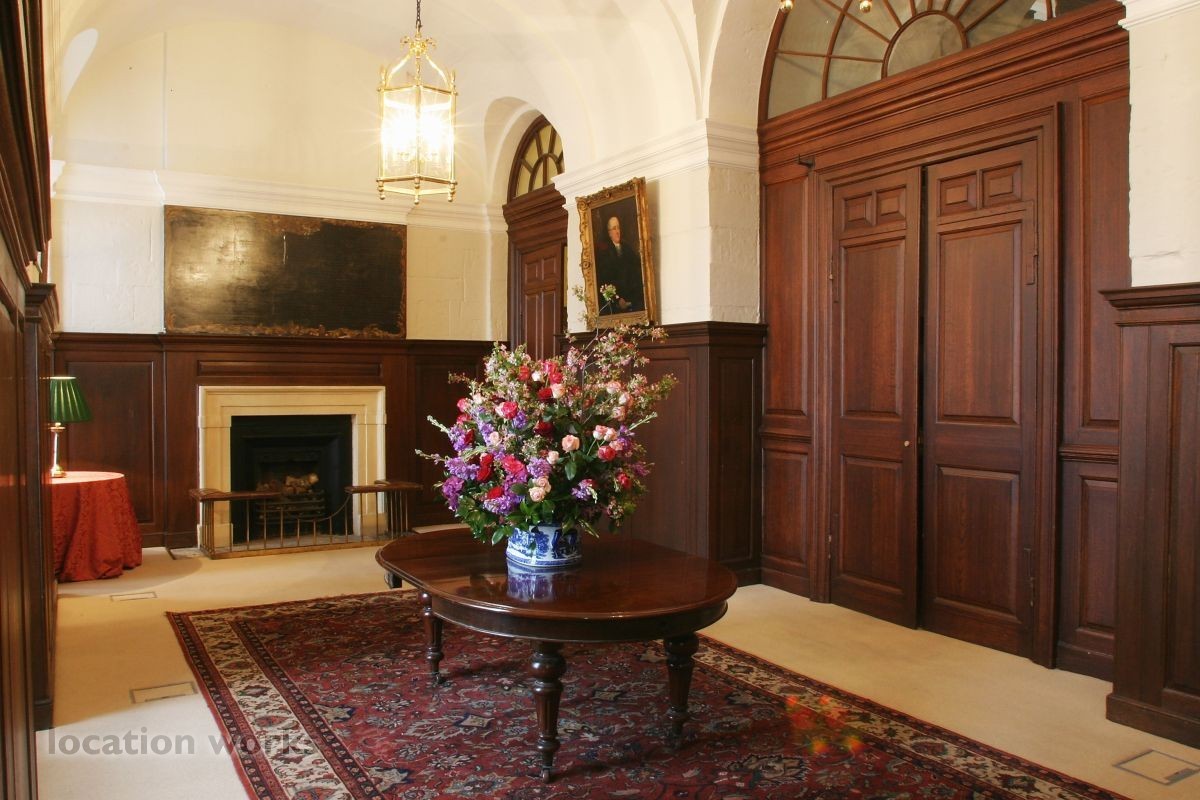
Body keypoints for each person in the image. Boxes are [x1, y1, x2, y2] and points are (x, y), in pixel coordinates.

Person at [594, 214, 645, 314]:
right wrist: (617, 299)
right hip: (616, 302)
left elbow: (637, 271)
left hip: (632, 298)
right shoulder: (604, 252)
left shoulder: (627, 248)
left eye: (618, 228)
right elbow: (604, 280)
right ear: (609, 233)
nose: (617, 231)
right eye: (614, 228)